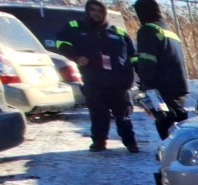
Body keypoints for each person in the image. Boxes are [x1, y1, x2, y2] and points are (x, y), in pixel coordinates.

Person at [56, 0, 138, 152]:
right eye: (93, 10)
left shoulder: (118, 33)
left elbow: (133, 56)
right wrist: (75, 57)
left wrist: (136, 76)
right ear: (87, 11)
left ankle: (131, 143)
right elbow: (61, 42)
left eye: (100, 11)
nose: (96, 14)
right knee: (98, 114)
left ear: (105, 13)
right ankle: (99, 142)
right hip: (94, 81)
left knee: (124, 115)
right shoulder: (76, 28)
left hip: (118, 83)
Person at [131, 0, 189, 140]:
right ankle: (182, 149)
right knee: (179, 119)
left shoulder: (148, 30)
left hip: (161, 87)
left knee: (163, 121)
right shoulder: (169, 30)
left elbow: (147, 61)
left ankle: (169, 154)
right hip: (179, 84)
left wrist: (147, 86)